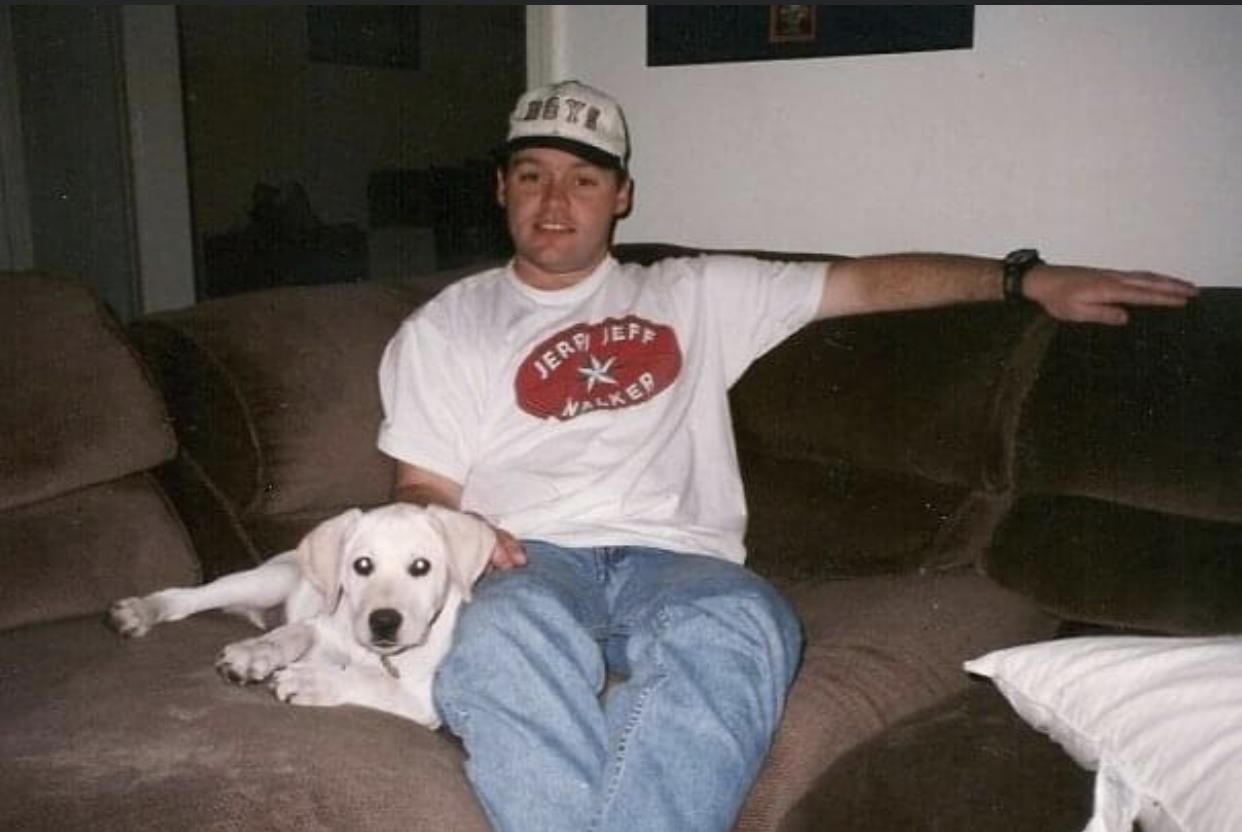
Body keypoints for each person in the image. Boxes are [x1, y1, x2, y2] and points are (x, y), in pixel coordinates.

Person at [376, 80, 1198, 832]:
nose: (555, 200)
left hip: (678, 561)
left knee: (742, 622)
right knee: (497, 636)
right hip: (532, 554)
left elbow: (867, 284)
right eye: (531, 174)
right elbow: (421, 487)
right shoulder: (448, 328)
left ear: (621, 196)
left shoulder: (693, 292)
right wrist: (465, 527)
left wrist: (1024, 281)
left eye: (584, 179)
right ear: (501, 189)